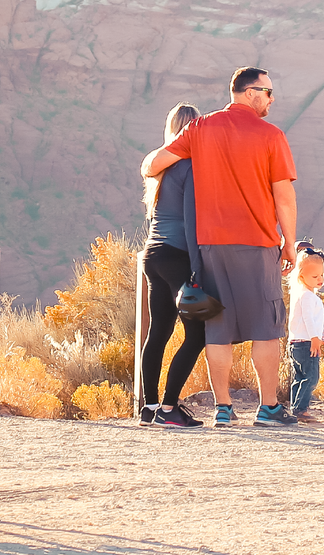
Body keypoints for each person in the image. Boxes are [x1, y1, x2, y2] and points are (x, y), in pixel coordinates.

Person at [142, 68, 299, 428]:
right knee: (265, 326)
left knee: (217, 328)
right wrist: (289, 244)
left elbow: (152, 166)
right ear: (248, 92)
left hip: (208, 246)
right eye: (268, 92)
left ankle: (223, 409)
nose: (272, 99)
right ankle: (268, 408)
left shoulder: (201, 128)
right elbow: (284, 198)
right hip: (256, 242)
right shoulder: (272, 136)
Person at [138, 104, 207, 429]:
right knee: (198, 333)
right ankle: (169, 409)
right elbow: (193, 222)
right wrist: (198, 267)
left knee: (159, 333)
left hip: (153, 254)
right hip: (177, 256)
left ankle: (150, 407)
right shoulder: (190, 166)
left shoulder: (160, 167)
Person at [285, 244, 324, 423]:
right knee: (311, 376)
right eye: (314, 276)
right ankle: (300, 409)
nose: (320, 279)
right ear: (301, 276)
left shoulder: (302, 294)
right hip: (306, 342)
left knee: (299, 376)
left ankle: (295, 407)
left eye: (322, 275)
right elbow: (308, 318)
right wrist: (315, 338)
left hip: (296, 343)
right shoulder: (307, 296)